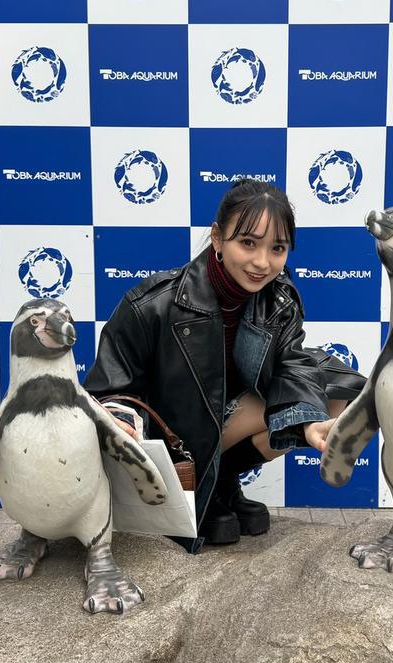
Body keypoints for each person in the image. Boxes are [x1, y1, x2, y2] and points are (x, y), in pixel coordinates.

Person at [84, 179, 365, 551]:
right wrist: (122, 420)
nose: (262, 262)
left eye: (277, 248)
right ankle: (201, 490)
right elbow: (106, 391)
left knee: (335, 391)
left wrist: (311, 423)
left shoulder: (279, 299)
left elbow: (292, 364)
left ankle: (222, 482)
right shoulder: (151, 304)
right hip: (171, 443)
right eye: (248, 243)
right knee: (269, 402)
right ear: (217, 238)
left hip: (223, 426)